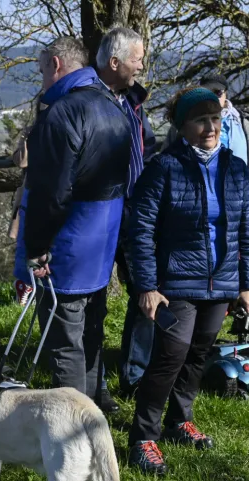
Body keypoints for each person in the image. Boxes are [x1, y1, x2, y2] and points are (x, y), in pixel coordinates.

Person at [124, 88, 249, 475]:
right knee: (170, 356)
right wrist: (147, 286)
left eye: (215, 120)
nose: (209, 128)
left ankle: (179, 420)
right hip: (176, 283)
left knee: (199, 353)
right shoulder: (164, 168)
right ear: (183, 127)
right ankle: (143, 438)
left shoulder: (234, 168)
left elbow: (248, 231)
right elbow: (140, 231)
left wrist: (247, 284)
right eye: (200, 121)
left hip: (221, 283)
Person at [15, 36, 132, 401]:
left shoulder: (62, 113)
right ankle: (95, 408)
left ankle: (72, 428)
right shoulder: (114, 106)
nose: (41, 79)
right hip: (101, 242)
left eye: (41, 70)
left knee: (66, 341)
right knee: (91, 331)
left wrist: (36, 248)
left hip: (68, 246)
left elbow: (52, 194)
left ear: (55, 63)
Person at [95, 26, 157, 404]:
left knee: (145, 292)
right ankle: (95, 384)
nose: (142, 66)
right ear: (115, 62)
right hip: (99, 217)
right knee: (92, 302)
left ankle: (135, 375)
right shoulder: (88, 101)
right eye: (137, 59)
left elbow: (146, 150)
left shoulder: (134, 102)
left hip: (135, 214)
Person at [165, 74, 249, 219]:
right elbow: (167, 155)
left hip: (241, 203)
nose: (213, 97)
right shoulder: (182, 125)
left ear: (226, 93)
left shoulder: (245, 124)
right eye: (208, 92)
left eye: (218, 92)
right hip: (194, 203)